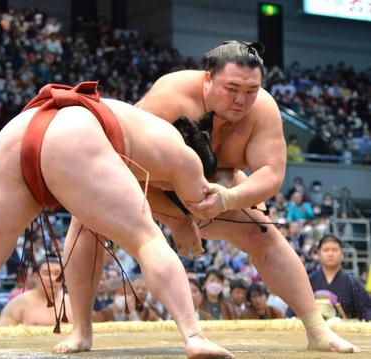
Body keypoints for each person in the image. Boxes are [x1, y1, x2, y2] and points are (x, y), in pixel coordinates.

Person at [64, 41, 359, 354]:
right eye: (231, 88)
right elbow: (132, 170)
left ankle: (317, 329)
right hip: (139, 182)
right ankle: (81, 330)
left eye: (251, 90)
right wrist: (178, 221)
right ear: (207, 79)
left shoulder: (263, 110)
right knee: (85, 219)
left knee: (263, 233)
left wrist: (230, 198)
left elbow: (271, 174)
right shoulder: (170, 97)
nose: (241, 100)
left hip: (213, 189)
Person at [0, 81, 232, 359]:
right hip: (75, 131)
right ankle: (194, 336)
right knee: (147, 240)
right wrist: (183, 221)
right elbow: (199, 206)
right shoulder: (189, 158)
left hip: (21, 129)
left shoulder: (146, 128)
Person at [309, 234, 371, 321]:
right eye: (326, 250)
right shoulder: (308, 281)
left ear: (342, 253)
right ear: (319, 253)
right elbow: (293, 314)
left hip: (345, 332)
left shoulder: (353, 283)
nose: (330, 254)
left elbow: (367, 312)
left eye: (334, 250)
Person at [0, 258, 72, 326]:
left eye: (57, 274)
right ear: (36, 277)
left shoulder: (73, 303)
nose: (53, 279)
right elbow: (3, 335)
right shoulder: (17, 304)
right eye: (47, 274)